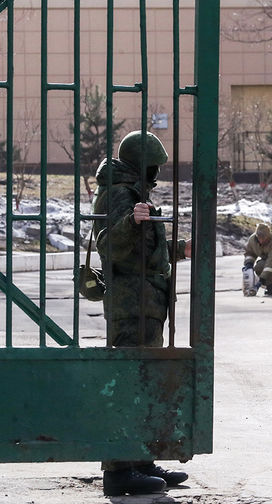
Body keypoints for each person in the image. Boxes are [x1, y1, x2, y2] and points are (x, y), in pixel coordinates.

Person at [92, 130, 192, 495]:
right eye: (154, 166)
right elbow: (110, 247)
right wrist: (130, 223)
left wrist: (179, 249)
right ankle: (119, 472)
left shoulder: (134, 192)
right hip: (130, 305)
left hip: (146, 304)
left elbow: (145, 249)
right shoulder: (119, 193)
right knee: (128, 384)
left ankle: (141, 460)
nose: (157, 173)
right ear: (141, 165)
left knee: (144, 384)